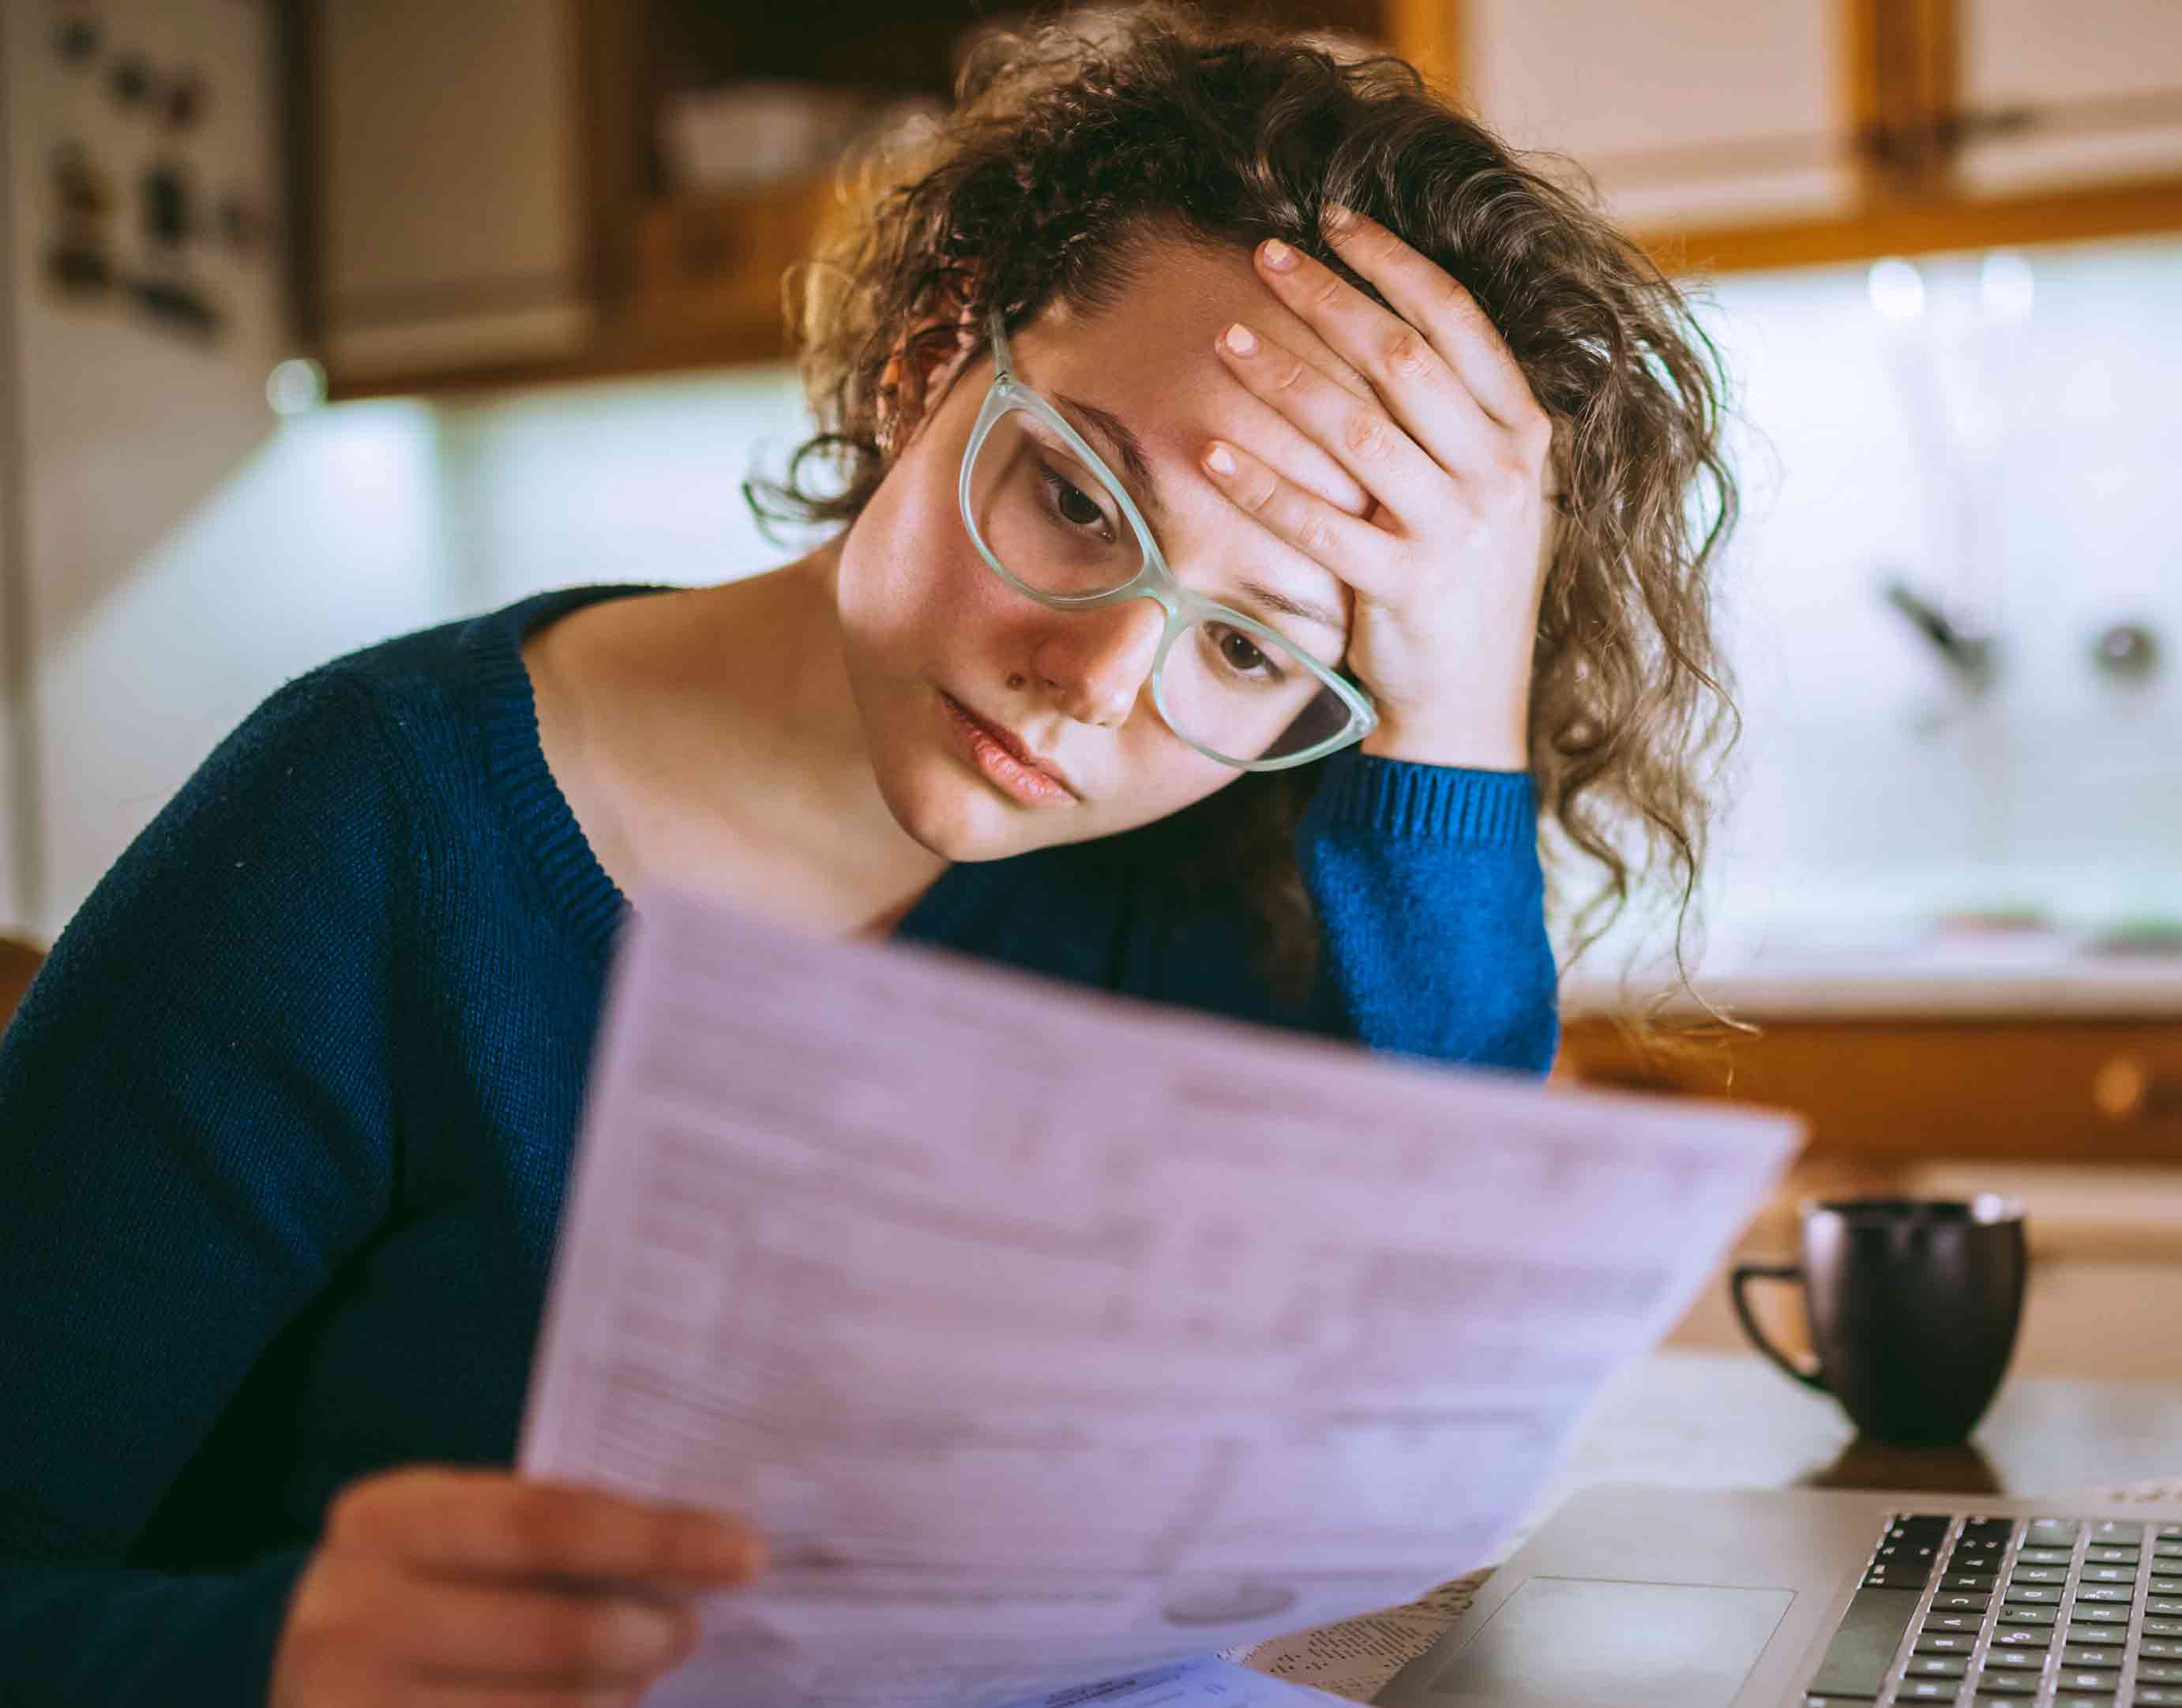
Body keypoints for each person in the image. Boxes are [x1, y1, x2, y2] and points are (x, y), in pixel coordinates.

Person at [0, 9, 1739, 1705]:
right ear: (927, 361)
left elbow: (1413, 1348)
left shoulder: (1206, 884)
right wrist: (277, 1659)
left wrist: (1457, 712)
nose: (1094, 684)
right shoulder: (366, 822)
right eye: (1077, 498)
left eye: (1245, 646)